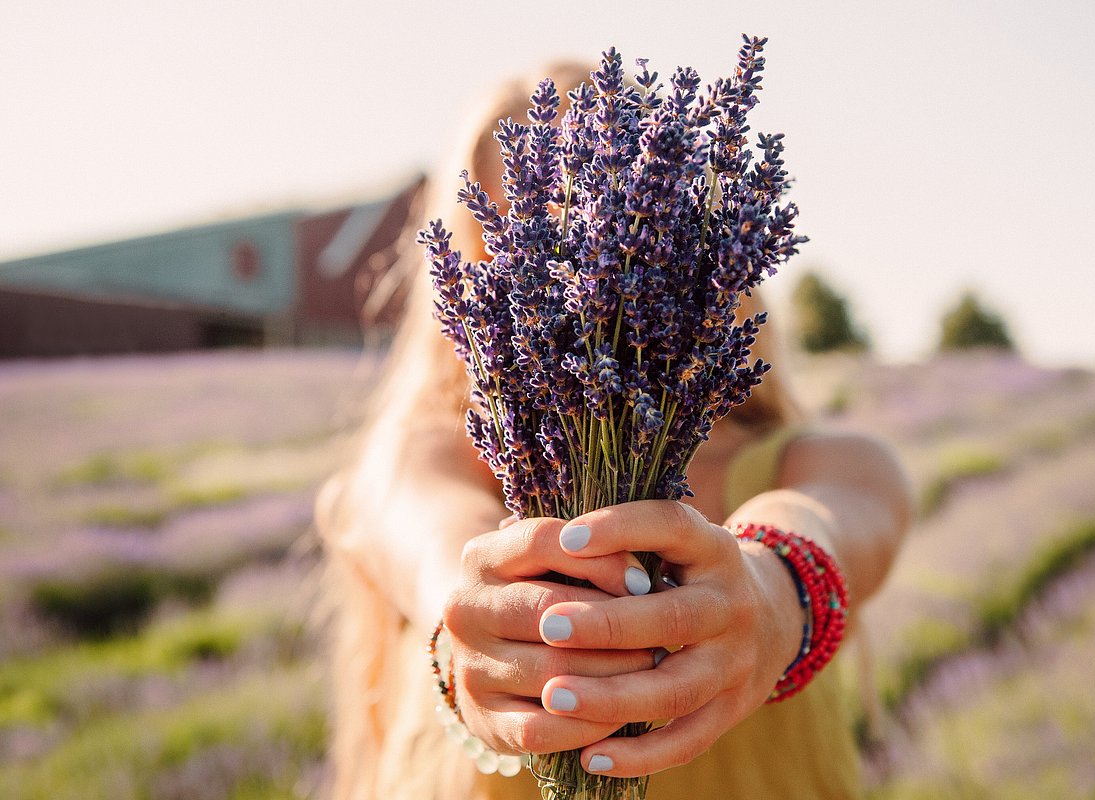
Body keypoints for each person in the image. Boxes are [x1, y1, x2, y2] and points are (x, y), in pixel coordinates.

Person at [316, 61, 913, 800]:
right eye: (522, 238)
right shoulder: (426, 459)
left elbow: (840, 518)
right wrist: (472, 621)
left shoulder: (824, 463)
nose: (572, 267)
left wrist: (769, 591)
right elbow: (424, 535)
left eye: (598, 227)